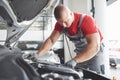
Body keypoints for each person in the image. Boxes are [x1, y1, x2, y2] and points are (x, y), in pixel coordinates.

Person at [36, 4, 106, 74]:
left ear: (71, 14)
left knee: (94, 75)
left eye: (66, 21)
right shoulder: (60, 24)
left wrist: (75, 60)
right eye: (61, 23)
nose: (64, 25)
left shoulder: (86, 20)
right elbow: (51, 40)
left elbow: (95, 46)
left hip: (95, 53)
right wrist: (37, 54)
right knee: (78, 74)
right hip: (81, 53)